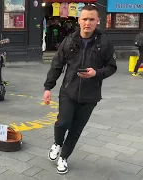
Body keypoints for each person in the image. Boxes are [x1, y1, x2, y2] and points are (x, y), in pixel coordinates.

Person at [43, 5, 117, 174]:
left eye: (92, 19)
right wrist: (48, 87)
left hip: (90, 96)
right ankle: (57, 143)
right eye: (84, 19)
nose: (87, 23)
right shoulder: (69, 40)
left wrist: (96, 73)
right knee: (63, 123)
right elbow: (57, 65)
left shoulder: (104, 42)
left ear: (97, 21)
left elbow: (112, 67)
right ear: (79, 20)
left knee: (76, 130)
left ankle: (64, 157)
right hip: (68, 91)